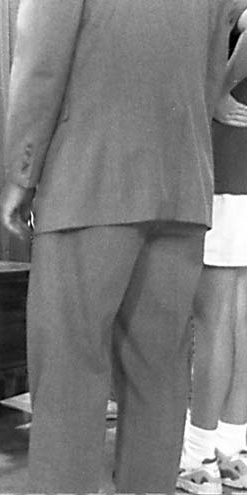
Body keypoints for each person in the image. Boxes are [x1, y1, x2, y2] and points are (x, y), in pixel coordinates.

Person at [0, 0, 245, 492]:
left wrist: (21, 172)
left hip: (89, 175)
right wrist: (214, 97)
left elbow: (42, 60)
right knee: (159, 374)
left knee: (69, 369)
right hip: (183, 182)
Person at [177, 11, 247, 495]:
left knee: (215, 318)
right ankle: (232, 449)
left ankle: (198, 455)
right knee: (239, 314)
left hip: (228, 161)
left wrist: (216, 90)